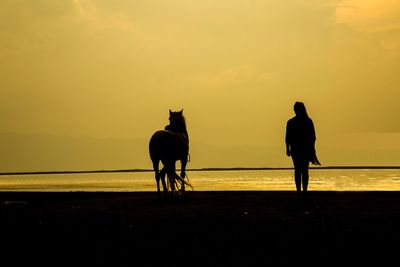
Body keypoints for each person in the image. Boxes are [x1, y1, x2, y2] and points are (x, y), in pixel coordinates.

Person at [285, 102, 320, 193]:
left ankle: (302, 190)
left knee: (301, 170)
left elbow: (313, 137)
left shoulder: (304, 121)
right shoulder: (305, 121)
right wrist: (287, 148)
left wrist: (312, 149)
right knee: (301, 169)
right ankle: (301, 190)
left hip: (302, 149)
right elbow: (287, 137)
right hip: (299, 149)